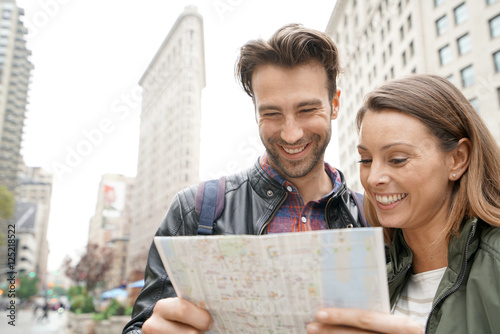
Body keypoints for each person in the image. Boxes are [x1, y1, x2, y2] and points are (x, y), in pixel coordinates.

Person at [123, 23, 367, 334]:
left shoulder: (372, 218)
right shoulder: (194, 210)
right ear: (255, 113)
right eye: (272, 114)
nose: (291, 134)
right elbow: (141, 325)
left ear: (334, 105)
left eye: (307, 109)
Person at [307, 74, 500, 334]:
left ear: (457, 159)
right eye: (365, 160)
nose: (373, 178)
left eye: (397, 159)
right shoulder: (372, 285)